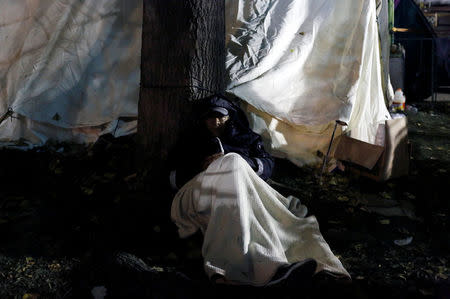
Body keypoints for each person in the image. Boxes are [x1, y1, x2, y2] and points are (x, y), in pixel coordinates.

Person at [169, 95, 350, 286]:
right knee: (232, 163)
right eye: (210, 117)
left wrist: (243, 163)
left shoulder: (247, 139)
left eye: (220, 117)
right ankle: (268, 269)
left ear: (229, 117)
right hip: (200, 192)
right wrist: (206, 167)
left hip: (240, 192)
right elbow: (172, 175)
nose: (215, 122)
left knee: (253, 203)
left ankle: (269, 264)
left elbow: (267, 165)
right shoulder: (192, 141)